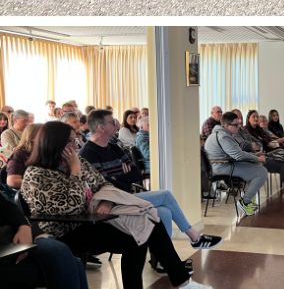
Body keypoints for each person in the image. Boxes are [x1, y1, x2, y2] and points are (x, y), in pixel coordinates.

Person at [21, 121, 210, 289]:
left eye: (75, 139)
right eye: (70, 141)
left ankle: (183, 282)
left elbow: (104, 184)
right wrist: (75, 172)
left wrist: (107, 200)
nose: (76, 144)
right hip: (65, 232)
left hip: (93, 221)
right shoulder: (36, 174)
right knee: (135, 238)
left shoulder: (78, 162)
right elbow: (67, 207)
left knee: (150, 222)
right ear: (55, 144)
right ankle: (181, 281)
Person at [81, 109, 223, 256]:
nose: (116, 124)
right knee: (166, 195)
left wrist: (120, 178)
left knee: (164, 212)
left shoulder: (114, 147)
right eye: (112, 122)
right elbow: (102, 185)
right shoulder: (88, 153)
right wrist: (123, 175)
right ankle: (194, 237)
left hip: (125, 196)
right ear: (100, 127)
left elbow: (136, 173)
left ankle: (162, 259)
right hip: (110, 203)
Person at [0, 190, 88, 289]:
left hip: (16, 236)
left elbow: (7, 207)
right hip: (7, 249)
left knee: (61, 252)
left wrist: (23, 225)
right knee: (71, 263)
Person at [204, 111, 269, 217]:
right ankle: (245, 201)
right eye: (235, 125)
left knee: (256, 168)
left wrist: (255, 155)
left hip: (221, 165)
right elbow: (238, 155)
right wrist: (258, 158)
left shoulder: (219, 134)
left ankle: (247, 201)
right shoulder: (223, 137)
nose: (238, 127)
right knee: (261, 172)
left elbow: (235, 153)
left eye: (238, 124)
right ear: (225, 125)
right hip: (221, 168)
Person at [241, 111, 284, 207]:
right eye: (253, 116)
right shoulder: (245, 130)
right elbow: (250, 147)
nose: (256, 118)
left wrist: (276, 141)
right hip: (255, 158)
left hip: (267, 153)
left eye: (257, 116)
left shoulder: (259, 130)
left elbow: (267, 141)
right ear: (248, 119)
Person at [4, 123, 42, 189]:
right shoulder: (20, 154)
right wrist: (40, 186)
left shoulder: (43, 152)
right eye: (45, 135)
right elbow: (12, 181)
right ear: (32, 137)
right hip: (30, 194)